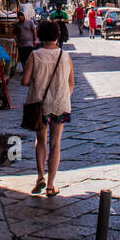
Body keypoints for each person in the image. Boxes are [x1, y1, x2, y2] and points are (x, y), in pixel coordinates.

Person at [22, 20, 74, 197]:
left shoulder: (35, 56)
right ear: (58, 36)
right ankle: (51, 185)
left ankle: (40, 177)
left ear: (40, 36)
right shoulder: (65, 56)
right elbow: (71, 84)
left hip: (40, 105)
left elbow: (25, 81)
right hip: (60, 104)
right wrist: (61, 95)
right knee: (55, 143)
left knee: (41, 141)